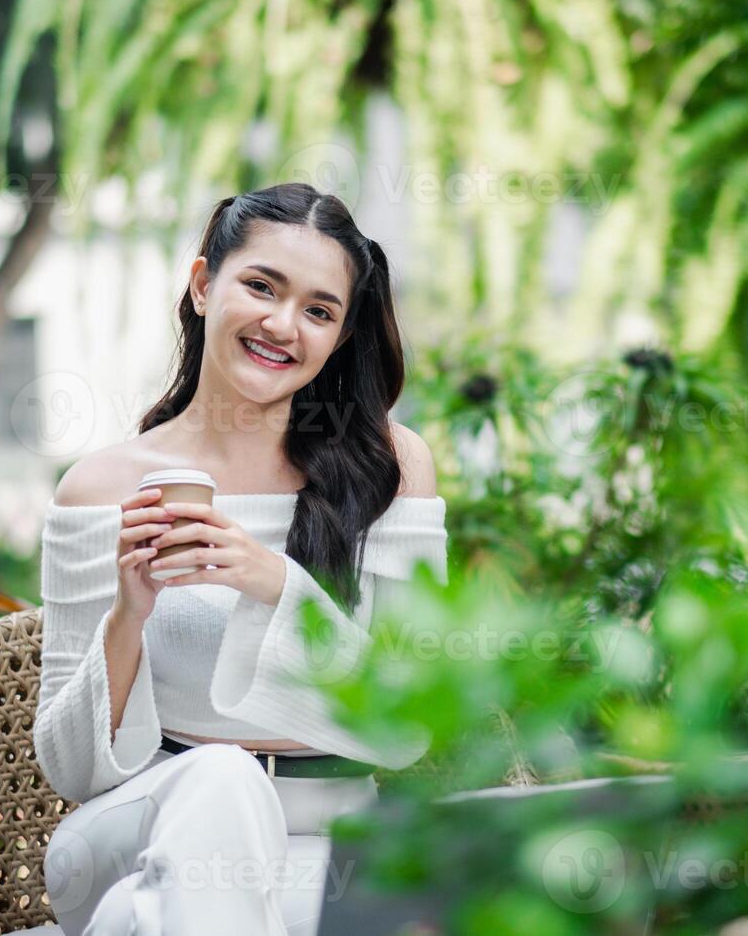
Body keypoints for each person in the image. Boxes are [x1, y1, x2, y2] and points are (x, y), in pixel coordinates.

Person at [33, 184, 447, 936]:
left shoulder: (391, 468)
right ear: (201, 285)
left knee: (142, 921)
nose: (282, 324)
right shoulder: (102, 487)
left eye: (319, 310)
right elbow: (69, 768)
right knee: (219, 776)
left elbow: (410, 725)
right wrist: (129, 613)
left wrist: (271, 582)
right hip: (136, 829)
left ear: (341, 336)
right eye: (261, 286)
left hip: (326, 842)